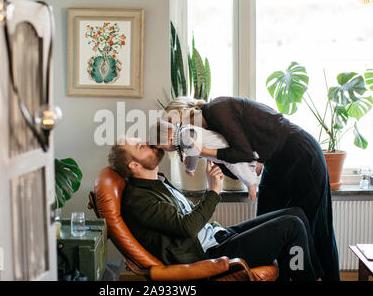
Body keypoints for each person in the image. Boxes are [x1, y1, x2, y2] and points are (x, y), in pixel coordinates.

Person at [163, 96, 339, 281]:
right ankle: (286, 277)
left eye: (170, 122)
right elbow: (237, 164)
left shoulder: (216, 109)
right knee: (268, 223)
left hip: (302, 155)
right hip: (276, 162)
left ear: (183, 112)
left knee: (311, 225)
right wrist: (214, 162)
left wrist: (204, 152)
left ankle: (321, 277)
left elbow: (244, 153)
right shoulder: (206, 134)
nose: (171, 131)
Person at [107, 137, 324, 281]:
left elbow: (183, 217)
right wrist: (214, 190)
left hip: (218, 236)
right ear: (133, 166)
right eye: (140, 147)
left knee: (296, 213)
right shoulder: (137, 199)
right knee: (292, 226)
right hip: (208, 254)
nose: (148, 143)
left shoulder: (159, 181)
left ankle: (305, 275)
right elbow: (186, 228)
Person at [148, 119, 259, 200]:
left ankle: (251, 184)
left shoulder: (183, 135)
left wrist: (190, 168)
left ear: (168, 138)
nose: (166, 151)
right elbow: (197, 150)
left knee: (235, 166)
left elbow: (194, 151)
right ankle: (255, 164)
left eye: (163, 147)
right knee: (236, 166)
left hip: (224, 147)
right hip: (220, 151)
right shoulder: (184, 133)